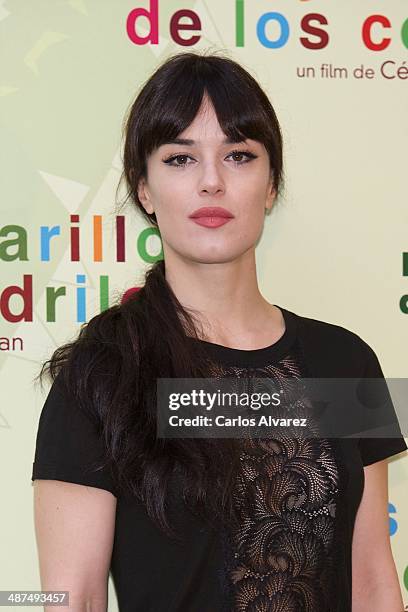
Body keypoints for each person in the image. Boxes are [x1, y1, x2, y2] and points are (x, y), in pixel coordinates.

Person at [31, 50, 407, 612]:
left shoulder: (345, 362)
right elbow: (72, 601)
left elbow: (374, 583)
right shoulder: (103, 374)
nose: (211, 181)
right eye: (180, 159)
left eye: (238, 155)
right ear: (145, 190)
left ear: (271, 184)